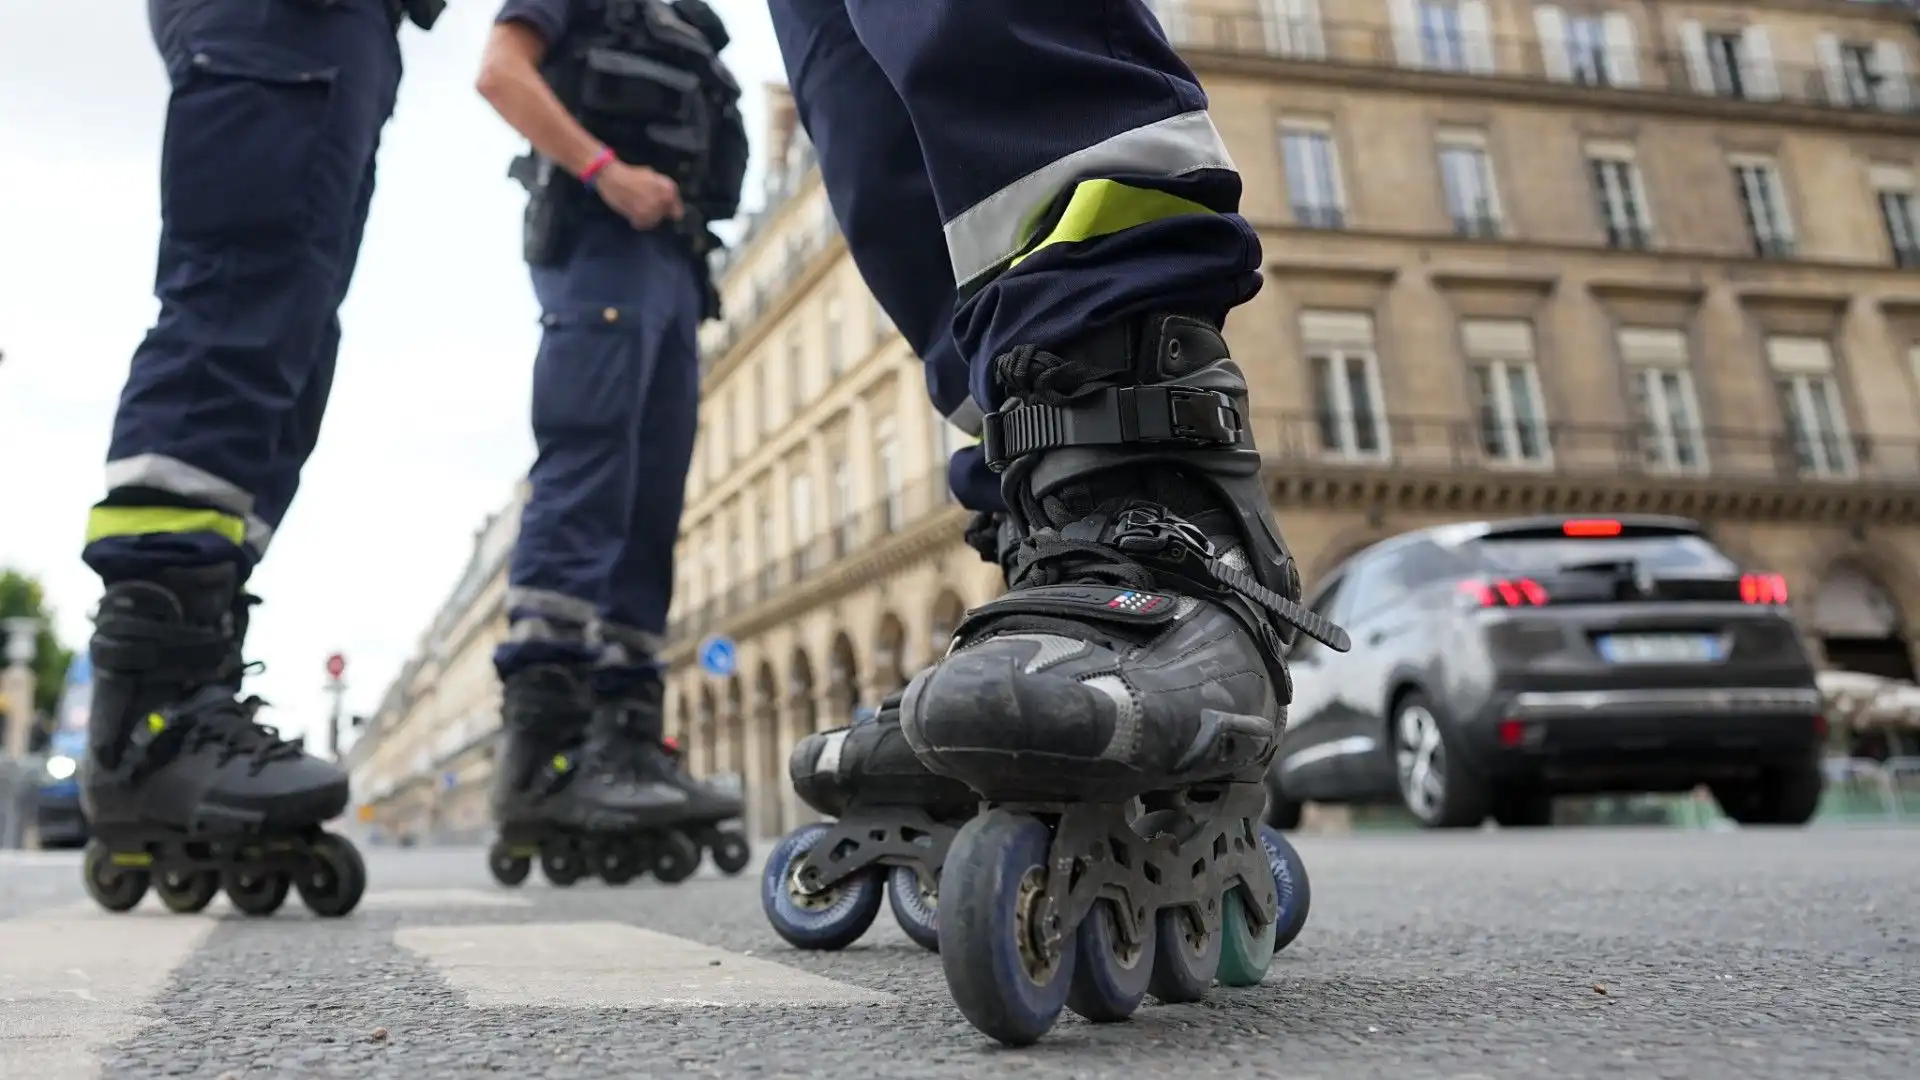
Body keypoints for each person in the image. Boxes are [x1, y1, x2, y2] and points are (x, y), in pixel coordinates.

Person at [765, 0, 1351, 1044]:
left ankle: (1162, 502)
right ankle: (1061, 532)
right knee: (870, 117)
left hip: (1156, 438)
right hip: (1026, 468)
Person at [75, 0, 445, 919]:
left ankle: (183, 697)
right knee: (236, 308)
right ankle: (150, 721)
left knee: (289, 344)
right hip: (282, 22)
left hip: (340, 34)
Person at [473, 0, 752, 887]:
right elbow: (500, 73)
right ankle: (543, 753)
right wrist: (603, 169)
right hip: (600, 236)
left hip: (674, 260)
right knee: (590, 464)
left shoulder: (690, 22)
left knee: (650, 493)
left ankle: (628, 739)